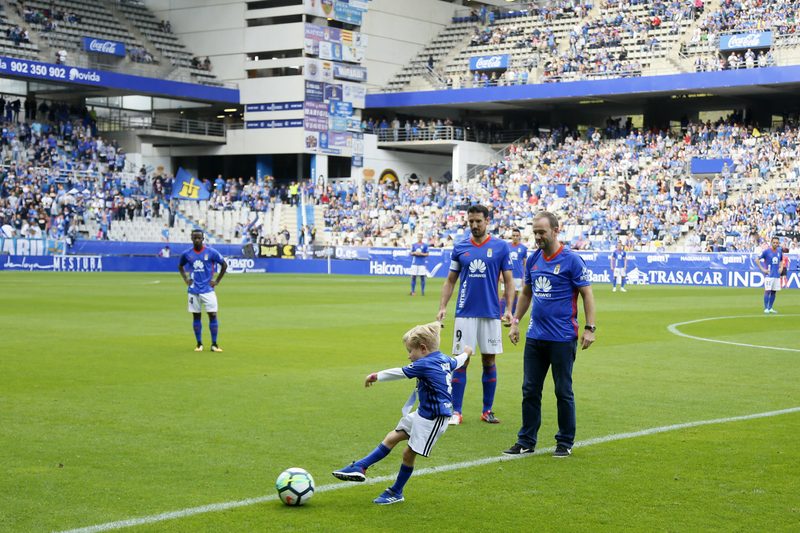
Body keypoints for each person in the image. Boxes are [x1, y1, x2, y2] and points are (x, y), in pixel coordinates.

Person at [331, 322, 473, 505]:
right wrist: (467, 352)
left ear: (422, 349)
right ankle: (360, 466)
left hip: (435, 418)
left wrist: (376, 376)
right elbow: (459, 360)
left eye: (410, 351)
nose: (408, 356)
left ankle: (396, 491)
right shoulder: (445, 359)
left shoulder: (424, 363)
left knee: (408, 454)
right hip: (423, 412)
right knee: (392, 437)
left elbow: (399, 373)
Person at [504, 211, 596, 458]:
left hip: (563, 338)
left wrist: (590, 328)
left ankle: (564, 442)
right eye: (535, 232)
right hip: (536, 337)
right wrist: (515, 322)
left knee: (563, 391)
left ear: (556, 230)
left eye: (542, 232)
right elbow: (526, 293)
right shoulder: (533, 259)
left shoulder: (572, 260)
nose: (537, 237)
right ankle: (526, 440)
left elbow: (587, 294)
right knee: (529, 390)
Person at [437, 205, 514, 425]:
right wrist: (443, 306)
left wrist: (508, 310)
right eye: (471, 221)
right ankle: (456, 412)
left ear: (487, 221)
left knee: (489, 360)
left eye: (478, 221)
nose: (474, 225)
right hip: (465, 312)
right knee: (461, 361)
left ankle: (487, 410)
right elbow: (450, 280)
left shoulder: (500, 247)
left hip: (491, 313)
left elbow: (508, 281)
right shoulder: (460, 247)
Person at [178, 229, 228, 352]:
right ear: (191, 239)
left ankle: (214, 344)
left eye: (199, 238)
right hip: (193, 290)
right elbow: (180, 266)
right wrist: (185, 279)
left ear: (203, 239)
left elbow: (224, 265)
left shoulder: (211, 252)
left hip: (208, 290)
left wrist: (217, 281)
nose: (197, 240)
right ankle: (199, 343)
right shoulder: (187, 254)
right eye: (194, 238)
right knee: (196, 317)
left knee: (213, 315)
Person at [501, 228, 528, 318]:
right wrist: (501, 274)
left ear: (519, 236)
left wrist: (524, 277)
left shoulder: (523, 248)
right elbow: (501, 261)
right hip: (507, 273)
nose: (515, 237)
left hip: (518, 275)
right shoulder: (506, 246)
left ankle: (511, 314)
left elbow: (525, 264)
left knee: (515, 294)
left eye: (517, 236)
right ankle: (500, 314)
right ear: (511, 236)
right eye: (514, 235)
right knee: (505, 293)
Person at [758, 236, 784, 313]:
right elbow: (757, 259)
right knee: (767, 291)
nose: (775, 244)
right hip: (769, 275)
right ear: (771, 243)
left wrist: (781, 267)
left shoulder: (779, 251)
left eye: (777, 243)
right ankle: (766, 308)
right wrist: (762, 269)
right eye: (774, 242)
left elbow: (781, 260)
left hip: (776, 275)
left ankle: (770, 308)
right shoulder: (766, 251)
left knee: (774, 291)